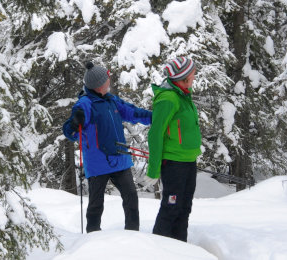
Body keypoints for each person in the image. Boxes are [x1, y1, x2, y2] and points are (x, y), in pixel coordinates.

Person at [62, 61, 152, 232]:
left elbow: (133, 113)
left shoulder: (112, 100)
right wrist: (74, 123)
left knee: (131, 197)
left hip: (120, 159)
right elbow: (70, 132)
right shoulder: (85, 104)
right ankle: (93, 237)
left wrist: (154, 117)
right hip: (98, 163)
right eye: (107, 80)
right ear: (98, 85)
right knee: (96, 205)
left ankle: (133, 234)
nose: (109, 82)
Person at [147, 56, 202, 242]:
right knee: (171, 208)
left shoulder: (184, 94)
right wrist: (153, 169)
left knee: (185, 208)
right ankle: (158, 249)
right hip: (173, 164)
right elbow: (155, 134)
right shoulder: (169, 99)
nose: (194, 77)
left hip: (188, 161)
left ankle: (179, 249)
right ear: (183, 78)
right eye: (192, 74)